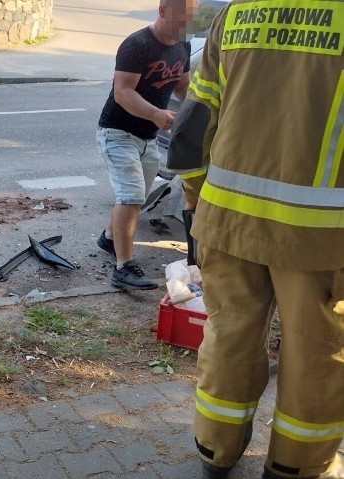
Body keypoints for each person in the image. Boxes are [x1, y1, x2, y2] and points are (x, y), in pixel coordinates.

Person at [172, 1, 344, 478]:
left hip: (227, 218)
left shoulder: (239, 12)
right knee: (316, 351)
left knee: (228, 335)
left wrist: (195, 195)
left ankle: (214, 450)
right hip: (321, 237)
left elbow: (194, 119)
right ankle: (296, 465)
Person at [95, 0, 195, 290]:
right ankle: (124, 267)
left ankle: (109, 238)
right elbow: (123, 92)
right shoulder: (137, 44)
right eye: (180, 18)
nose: (184, 25)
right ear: (163, 11)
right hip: (117, 131)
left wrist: (197, 111)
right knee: (132, 196)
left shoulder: (183, 47)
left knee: (132, 195)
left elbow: (183, 86)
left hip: (148, 137)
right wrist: (155, 113)